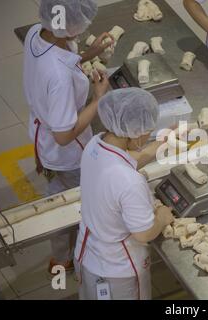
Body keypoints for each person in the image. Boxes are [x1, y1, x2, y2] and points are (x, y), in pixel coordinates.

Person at [23, 0, 114, 275]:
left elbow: (58, 58)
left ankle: (60, 259)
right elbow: (63, 135)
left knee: (57, 195)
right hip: (67, 153)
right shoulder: (60, 77)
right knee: (78, 203)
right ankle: (82, 259)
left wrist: (88, 54)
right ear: (73, 27)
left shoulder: (35, 33)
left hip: (42, 137)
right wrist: (97, 100)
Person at [74, 88, 175, 300]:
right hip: (117, 272)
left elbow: (130, 160)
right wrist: (162, 218)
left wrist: (165, 142)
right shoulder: (129, 182)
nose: (149, 135)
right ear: (134, 132)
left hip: (88, 254)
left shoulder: (95, 145)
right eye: (148, 130)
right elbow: (143, 234)